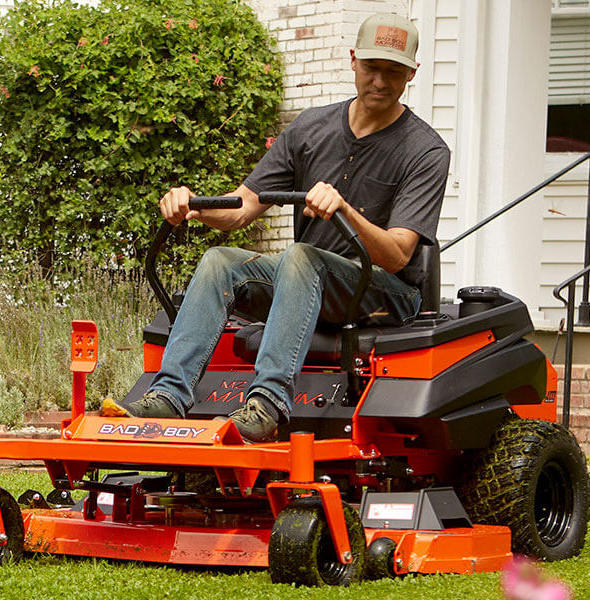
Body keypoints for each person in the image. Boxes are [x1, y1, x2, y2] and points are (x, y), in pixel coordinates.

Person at [120, 12, 450, 442]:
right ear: (353, 60)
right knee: (220, 261)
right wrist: (195, 206)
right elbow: (241, 208)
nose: (380, 82)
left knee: (300, 257)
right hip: (306, 280)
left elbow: (398, 254)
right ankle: (168, 394)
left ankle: (268, 404)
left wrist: (345, 211)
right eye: (372, 67)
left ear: (411, 73)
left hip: (385, 292)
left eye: (393, 72)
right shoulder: (310, 129)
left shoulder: (425, 150)